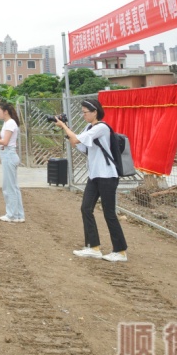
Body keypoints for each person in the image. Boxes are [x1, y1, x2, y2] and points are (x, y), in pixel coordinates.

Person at [54, 99, 128, 262]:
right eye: (82, 112)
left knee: (109, 213)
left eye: (85, 112)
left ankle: (120, 251)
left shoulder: (101, 127)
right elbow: (79, 145)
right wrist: (67, 130)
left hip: (107, 175)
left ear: (95, 112)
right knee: (86, 208)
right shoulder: (89, 128)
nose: (83, 115)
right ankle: (93, 247)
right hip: (94, 175)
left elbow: (76, 140)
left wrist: (64, 127)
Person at [0, 101, 26, 223]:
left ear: (5, 111)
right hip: (8, 155)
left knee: (9, 187)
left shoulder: (10, 123)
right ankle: (18, 215)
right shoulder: (8, 123)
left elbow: (5, 142)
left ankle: (12, 214)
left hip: (9, 155)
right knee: (13, 186)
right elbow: (2, 138)